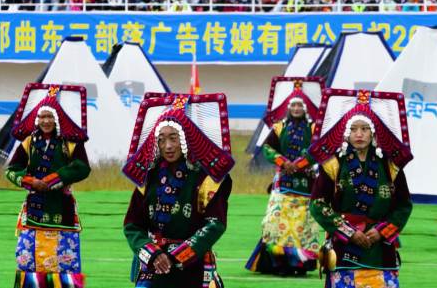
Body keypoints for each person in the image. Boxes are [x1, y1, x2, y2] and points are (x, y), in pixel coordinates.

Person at [122, 93, 234, 288]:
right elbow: (132, 225)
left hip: (193, 264)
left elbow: (215, 224)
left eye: (173, 138)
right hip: (154, 263)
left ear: (185, 139)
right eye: (162, 140)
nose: (168, 146)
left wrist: (179, 255)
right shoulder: (148, 176)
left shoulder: (206, 178)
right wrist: (153, 254)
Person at [308, 89, 414, 288]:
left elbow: (403, 206)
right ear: (346, 133)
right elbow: (317, 204)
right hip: (344, 246)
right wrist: (348, 231)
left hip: (380, 249)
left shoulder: (389, 166)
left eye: (364, 129)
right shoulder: (333, 164)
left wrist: (382, 231)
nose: (359, 134)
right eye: (354, 129)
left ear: (373, 133)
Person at [5, 83, 91, 288]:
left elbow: (83, 168)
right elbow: (11, 169)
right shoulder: (28, 142)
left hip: (63, 210)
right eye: (42, 117)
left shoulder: (70, 142)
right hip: (34, 209)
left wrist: (53, 180)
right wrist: (30, 181)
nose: (46, 121)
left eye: (50, 117)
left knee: (65, 263)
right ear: (37, 119)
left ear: (57, 118)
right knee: (29, 260)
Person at [246, 77, 323, 276]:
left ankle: (299, 265)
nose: (297, 108)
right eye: (294, 105)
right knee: (275, 222)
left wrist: (298, 164)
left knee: (301, 225)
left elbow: (317, 150)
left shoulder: (314, 128)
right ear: (289, 108)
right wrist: (283, 162)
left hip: (306, 184)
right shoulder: (279, 127)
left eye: (300, 105)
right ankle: (278, 263)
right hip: (283, 184)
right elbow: (267, 148)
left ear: (305, 109)